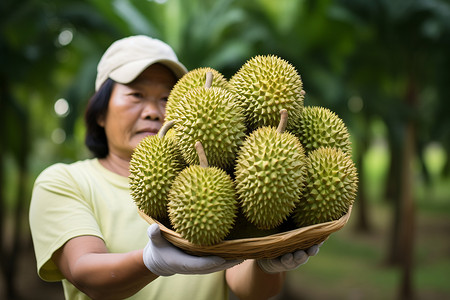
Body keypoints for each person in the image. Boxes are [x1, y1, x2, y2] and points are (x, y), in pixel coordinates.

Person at [29, 35, 321, 300]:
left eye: (167, 99)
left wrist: (267, 263)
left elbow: (247, 286)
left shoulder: (225, 181)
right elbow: (84, 270)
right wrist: (150, 262)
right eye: (136, 95)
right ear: (100, 112)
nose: (153, 112)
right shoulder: (64, 181)